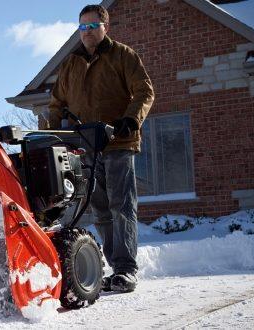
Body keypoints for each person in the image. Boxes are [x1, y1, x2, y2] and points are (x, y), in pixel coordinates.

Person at [46, 4, 154, 293]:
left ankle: (126, 270)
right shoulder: (71, 64)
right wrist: (51, 137)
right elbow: (57, 104)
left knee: (122, 206)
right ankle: (114, 267)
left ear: (105, 26)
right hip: (86, 148)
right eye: (82, 27)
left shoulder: (122, 55)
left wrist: (131, 118)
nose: (87, 32)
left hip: (118, 142)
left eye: (92, 26)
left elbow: (144, 90)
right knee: (101, 209)